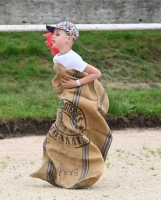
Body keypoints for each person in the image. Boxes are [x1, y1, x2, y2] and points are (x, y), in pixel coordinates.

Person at [30, 21, 113, 189]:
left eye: (58, 34)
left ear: (69, 39)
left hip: (77, 103)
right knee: (57, 137)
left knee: (69, 135)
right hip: (68, 103)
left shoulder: (72, 59)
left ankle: (82, 172)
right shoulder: (58, 57)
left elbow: (96, 73)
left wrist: (76, 83)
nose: (53, 36)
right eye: (53, 34)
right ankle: (60, 173)